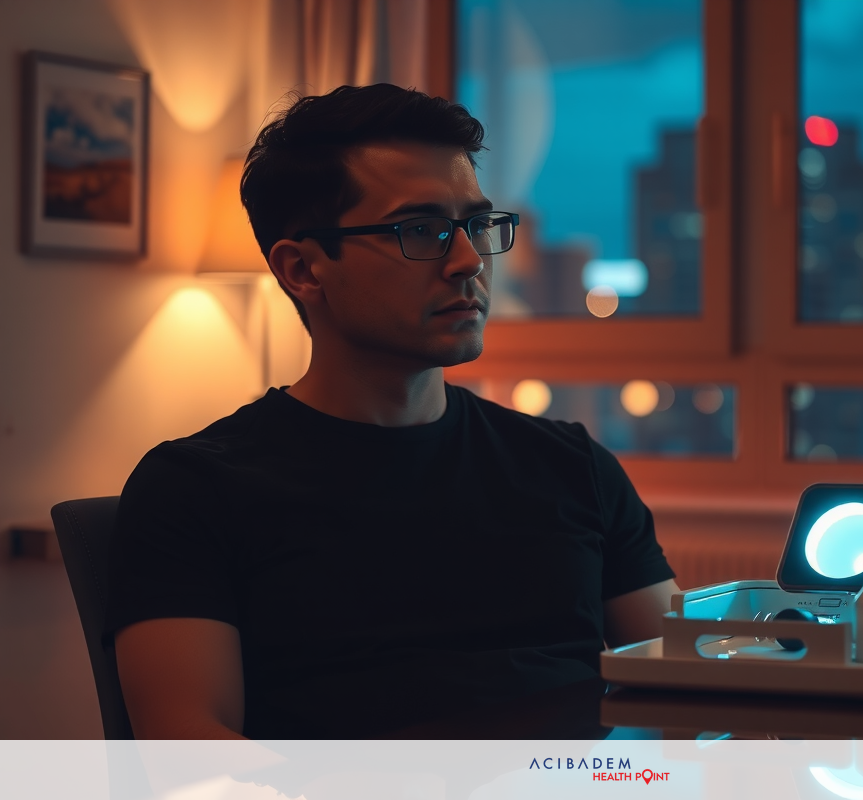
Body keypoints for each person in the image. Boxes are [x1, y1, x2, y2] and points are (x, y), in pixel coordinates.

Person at [105, 84, 678, 739]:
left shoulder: (574, 466)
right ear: (303, 270)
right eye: (423, 230)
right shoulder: (195, 490)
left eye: (477, 226)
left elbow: (692, 697)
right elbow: (190, 749)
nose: (469, 262)